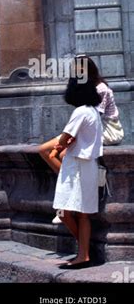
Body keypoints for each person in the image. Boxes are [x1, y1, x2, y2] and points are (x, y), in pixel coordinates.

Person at [40, 71, 103, 269]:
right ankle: (84, 252)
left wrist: (60, 147)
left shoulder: (81, 111)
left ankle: (84, 252)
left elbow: (64, 137)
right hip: (88, 165)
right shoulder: (93, 111)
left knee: (65, 212)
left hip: (76, 166)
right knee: (82, 213)